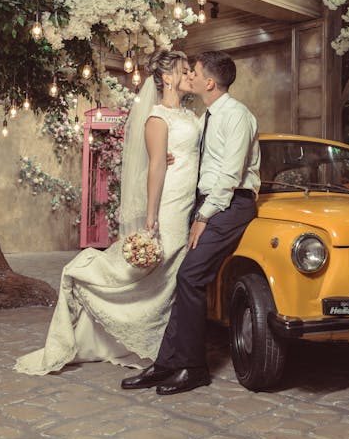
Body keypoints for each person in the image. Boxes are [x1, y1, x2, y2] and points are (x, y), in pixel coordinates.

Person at [15, 50, 200, 375]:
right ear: (168, 78)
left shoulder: (190, 116)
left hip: (189, 201)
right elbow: (156, 166)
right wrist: (151, 217)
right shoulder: (157, 118)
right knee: (156, 264)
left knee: (171, 272)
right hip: (169, 201)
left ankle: (161, 341)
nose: (189, 75)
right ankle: (85, 277)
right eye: (183, 71)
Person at [121, 50, 260, 395]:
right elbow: (193, 153)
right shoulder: (205, 117)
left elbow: (230, 175)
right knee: (187, 278)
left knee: (189, 275)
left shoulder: (236, 116)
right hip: (208, 203)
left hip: (231, 204)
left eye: (194, 72)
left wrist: (203, 215)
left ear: (209, 82)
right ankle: (168, 362)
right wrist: (168, 155)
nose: (190, 76)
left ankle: (194, 368)